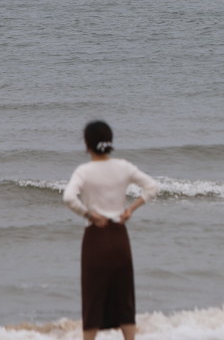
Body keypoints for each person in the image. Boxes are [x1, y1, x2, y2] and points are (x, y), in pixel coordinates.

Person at [64, 121, 159, 340]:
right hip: (119, 237)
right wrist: (130, 209)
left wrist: (88, 214)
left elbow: (68, 197)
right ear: (110, 142)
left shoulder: (84, 171)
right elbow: (152, 186)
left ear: (87, 145)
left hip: (96, 237)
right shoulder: (123, 166)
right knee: (124, 297)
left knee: (92, 298)